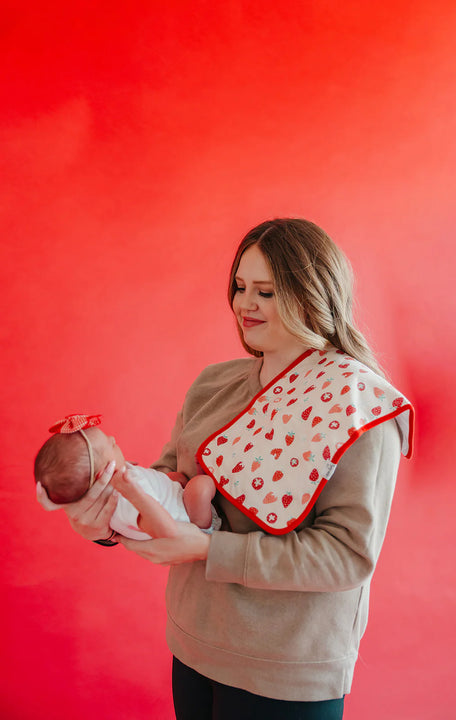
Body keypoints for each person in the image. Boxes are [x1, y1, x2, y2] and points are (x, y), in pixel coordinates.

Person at [36, 218, 414, 720]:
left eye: (266, 291)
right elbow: (162, 486)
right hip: (193, 646)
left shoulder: (358, 409)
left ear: (312, 293)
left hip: (284, 670)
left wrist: (209, 548)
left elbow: (346, 556)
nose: (243, 304)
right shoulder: (214, 384)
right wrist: (104, 520)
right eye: (239, 287)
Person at [35, 414, 219, 539]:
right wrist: (136, 496)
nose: (114, 439)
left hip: (173, 498)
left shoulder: (118, 480)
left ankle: (192, 493)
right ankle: (204, 523)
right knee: (200, 487)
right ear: (104, 474)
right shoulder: (125, 502)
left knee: (175, 477)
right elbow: (165, 530)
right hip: (189, 526)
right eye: (111, 445)